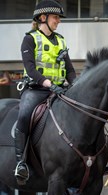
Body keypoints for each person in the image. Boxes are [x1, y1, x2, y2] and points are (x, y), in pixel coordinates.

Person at [15, 0, 76, 184]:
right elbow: (30, 68)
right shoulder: (30, 38)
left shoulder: (61, 40)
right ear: (43, 18)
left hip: (59, 90)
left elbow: (70, 70)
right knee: (24, 116)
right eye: (55, 17)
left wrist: (75, 86)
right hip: (36, 90)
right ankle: (21, 163)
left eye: (58, 17)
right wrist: (48, 83)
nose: (58, 21)